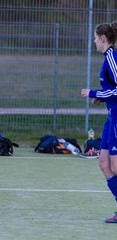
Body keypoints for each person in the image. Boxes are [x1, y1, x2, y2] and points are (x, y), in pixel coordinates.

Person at [81, 21, 117, 223]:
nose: (94, 41)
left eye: (95, 37)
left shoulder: (112, 57)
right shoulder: (107, 58)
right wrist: (102, 97)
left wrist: (94, 92)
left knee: (115, 164)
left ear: (103, 39)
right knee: (104, 164)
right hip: (111, 116)